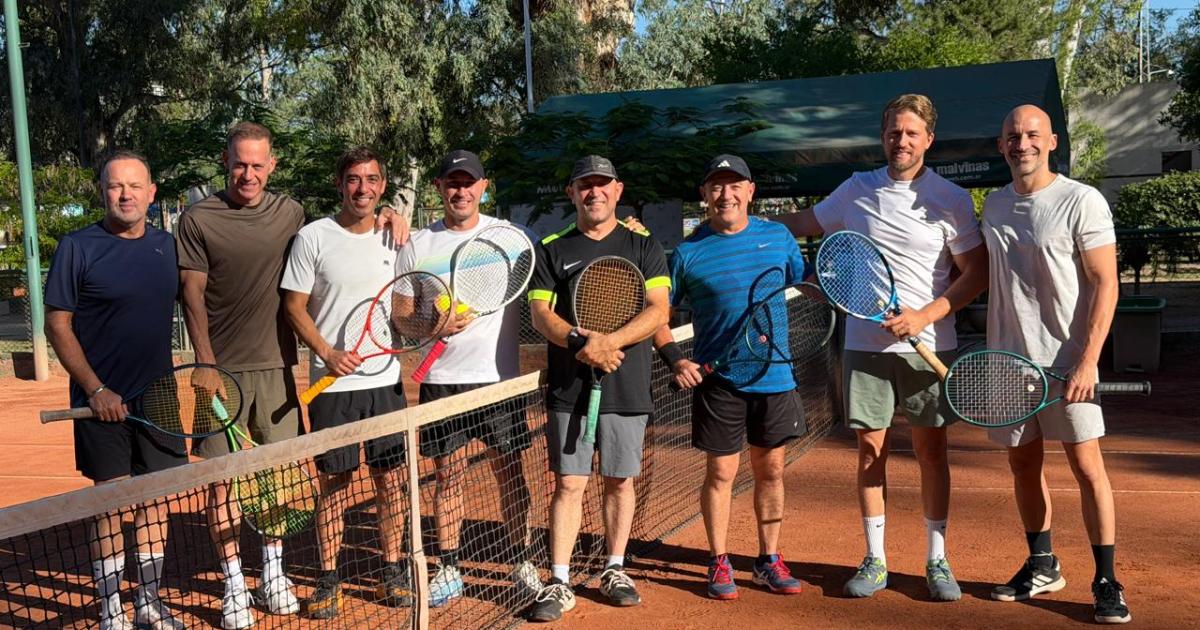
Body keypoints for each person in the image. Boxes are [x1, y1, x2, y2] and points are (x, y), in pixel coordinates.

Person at [175, 122, 408, 629]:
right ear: (226, 161)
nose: (248, 174)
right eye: (240, 164)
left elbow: (363, 226)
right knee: (223, 483)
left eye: (258, 165)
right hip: (223, 372)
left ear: (272, 165)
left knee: (279, 480)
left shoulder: (291, 214)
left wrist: (392, 214)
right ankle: (234, 584)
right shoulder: (201, 219)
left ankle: (274, 572)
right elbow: (191, 295)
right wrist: (205, 362)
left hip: (280, 368)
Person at [772, 94, 988, 601]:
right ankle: (875, 559)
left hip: (930, 345)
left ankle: (937, 559)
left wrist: (924, 316)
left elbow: (977, 273)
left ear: (928, 139)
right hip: (864, 348)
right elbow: (803, 223)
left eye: (911, 133)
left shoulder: (952, 199)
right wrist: (738, 217)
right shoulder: (856, 189)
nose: (901, 141)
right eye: (894, 132)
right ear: (883, 136)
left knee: (932, 453)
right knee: (870, 452)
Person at [982, 104, 1130, 624]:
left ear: (1051, 142)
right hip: (1008, 363)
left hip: (1068, 365)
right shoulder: (994, 205)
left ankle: (1107, 579)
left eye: (1031, 134)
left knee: (1088, 469)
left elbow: (1105, 282)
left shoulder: (1080, 200)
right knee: (1023, 466)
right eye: (1012, 135)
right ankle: (1042, 564)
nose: (1021, 143)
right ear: (1001, 145)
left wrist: (1088, 361)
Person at [653, 154, 811, 600]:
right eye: (717, 186)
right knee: (721, 472)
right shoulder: (688, 252)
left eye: (735, 185)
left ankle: (768, 560)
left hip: (775, 376)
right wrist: (675, 360)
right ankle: (718, 560)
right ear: (704, 194)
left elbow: (806, 284)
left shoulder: (777, 237)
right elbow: (659, 315)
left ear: (750, 191)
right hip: (718, 382)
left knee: (771, 471)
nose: (726, 194)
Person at [44, 151, 186, 630]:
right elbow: (57, 325)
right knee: (111, 502)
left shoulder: (167, 246)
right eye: (115, 186)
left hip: (159, 396)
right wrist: (95, 388)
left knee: (156, 499)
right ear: (102, 191)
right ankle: (111, 608)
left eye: (135, 185)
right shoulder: (77, 247)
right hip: (100, 400)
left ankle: (148, 601)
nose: (126, 194)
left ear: (152, 193)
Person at [393, 150, 540, 607]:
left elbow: (567, 248)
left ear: (483, 187)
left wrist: (626, 229)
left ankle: (521, 561)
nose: (461, 191)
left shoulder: (514, 238)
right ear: (439, 187)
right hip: (442, 380)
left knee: (509, 472)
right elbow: (402, 316)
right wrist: (432, 325)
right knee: (448, 475)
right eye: (453, 182)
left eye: (469, 182)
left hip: (499, 380)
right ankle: (449, 567)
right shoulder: (417, 245)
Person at [526, 155, 670, 622]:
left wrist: (608, 342)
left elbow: (658, 310)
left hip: (627, 383)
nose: (594, 192)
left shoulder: (644, 245)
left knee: (619, 480)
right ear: (572, 193)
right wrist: (579, 342)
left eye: (603, 184)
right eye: (585, 185)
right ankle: (559, 580)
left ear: (618, 190)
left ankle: (614, 568)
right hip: (570, 386)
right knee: (569, 483)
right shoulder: (551, 249)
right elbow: (541, 315)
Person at [280, 147, 411, 619]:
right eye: (354, 179)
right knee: (334, 483)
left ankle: (391, 569)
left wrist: (430, 323)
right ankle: (328, 578)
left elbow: (404, 308)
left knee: (390, 480)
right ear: (340, 185)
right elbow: (293, 306)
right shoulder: (312, 237)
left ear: (383, 185)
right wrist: (327, 352)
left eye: (372, 179)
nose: (363, 188)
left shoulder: (396, 237)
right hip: (332, 385)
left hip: (384, 383)